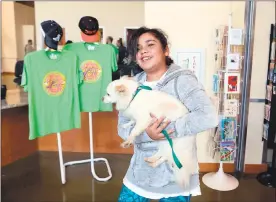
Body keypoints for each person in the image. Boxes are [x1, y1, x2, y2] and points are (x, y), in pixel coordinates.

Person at [117, 27, 218, 202]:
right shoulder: (133, 84)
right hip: (140, 172)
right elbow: (122, 126)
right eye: (138, 48)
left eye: (150, 45)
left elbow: (208, 116)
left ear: (165, 50)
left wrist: (165, 130)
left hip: (175, 176)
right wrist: (146, 135)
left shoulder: (183, 80)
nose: (144, 51)